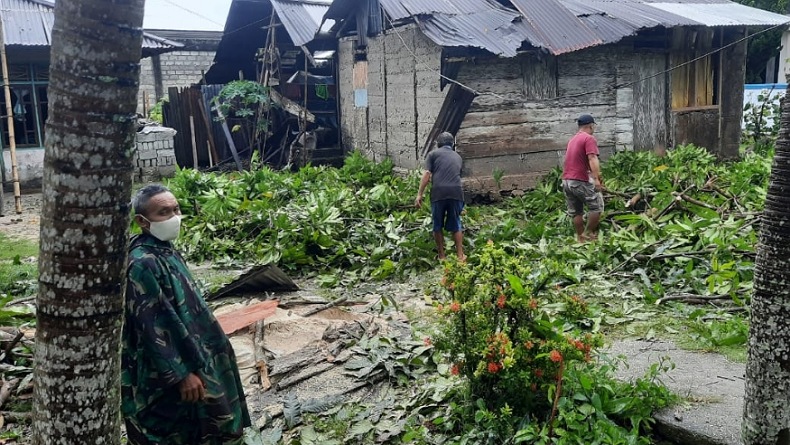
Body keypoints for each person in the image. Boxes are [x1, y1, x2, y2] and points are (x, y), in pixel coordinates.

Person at [122, 184, 251, 445]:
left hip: (198, 356)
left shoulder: (165, 250)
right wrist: (181, 374)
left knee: (214, 423)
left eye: (176, 209)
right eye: (163, 213)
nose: (174, 217)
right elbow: (153, 326)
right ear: (142, 221)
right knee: (180, 431)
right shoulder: (142, 263)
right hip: (171, 372)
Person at [415, 131, 466, 261]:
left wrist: (419, 194)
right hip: (456, 192)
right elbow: (457, 176)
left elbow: (427, 175)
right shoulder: (458, 157)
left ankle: (442, 256)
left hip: (439, 193)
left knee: (437, 224)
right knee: (456, 223)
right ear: (452, 144)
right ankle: (460, 256)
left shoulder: (432, 154)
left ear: (438, 144)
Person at [562, 114, 604, 242]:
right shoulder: (588, 138)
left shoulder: (573, 139)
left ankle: (580, 238)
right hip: (580, 179)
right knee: (596, 207)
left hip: (567, 181)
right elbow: (592, 157)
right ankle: (588, 233)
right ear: (591, 126)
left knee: (577, 212)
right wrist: (596, 179)